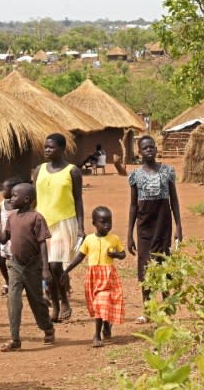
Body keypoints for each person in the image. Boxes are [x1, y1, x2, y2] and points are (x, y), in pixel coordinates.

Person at [0, 183, 56, 352]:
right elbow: (3, 239)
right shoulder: (11, 217)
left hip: (33, 266)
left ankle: (47, 328)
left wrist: (46, 269)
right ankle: (15, 338)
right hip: (15, 265)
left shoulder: (36, 218)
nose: (11, 198)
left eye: (15, 196)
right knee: (14, 301)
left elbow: (42, 244)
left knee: (36, 301)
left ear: (26, 199)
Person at [127, 135, 183, 324]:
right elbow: (133, 205)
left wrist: (179, 226)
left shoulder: (167, 171)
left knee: (164, 262)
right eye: (145, 148)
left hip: (163, 223)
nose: (149, 150)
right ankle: (148, 309)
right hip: (144, 225)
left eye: (152, 146)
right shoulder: (135, 175)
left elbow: (173, 200)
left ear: (156, 149)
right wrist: (129, 235)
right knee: (145, 266)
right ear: (139, 152)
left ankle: (166, 307)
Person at [34, 133, 84, 322]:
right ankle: (54, 303)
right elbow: (33, 197)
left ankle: (63, 300)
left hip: (64, 222)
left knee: (55, 266)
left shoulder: (72, 171)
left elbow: (79, 199)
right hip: (41, 222)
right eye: (45, 146)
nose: (47, 150)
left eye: (51, 147)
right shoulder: (39, 170)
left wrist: (80, 226)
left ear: (62, 149)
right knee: (45, 267)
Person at [62, 206, 126, 347]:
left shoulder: (114, 239)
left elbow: (123, 254)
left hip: (108, 277)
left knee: (101, 303)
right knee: (98, 305)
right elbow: (80, 256)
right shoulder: (89, 240)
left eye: (109, 222)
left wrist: (115, 254)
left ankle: (97, 334)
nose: (107, 225)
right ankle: (106, 324)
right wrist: (67, 270)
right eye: (103, 222)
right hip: (93, 277)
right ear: (94, 223)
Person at [0, 177, 21, 296]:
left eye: (4, 189)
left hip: (17, 239)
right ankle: (7, 282)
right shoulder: (2, 205)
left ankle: (18, 283)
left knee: (16, 263)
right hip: (4, 239)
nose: (2, 191)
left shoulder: (21, 205)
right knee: (1, 261)